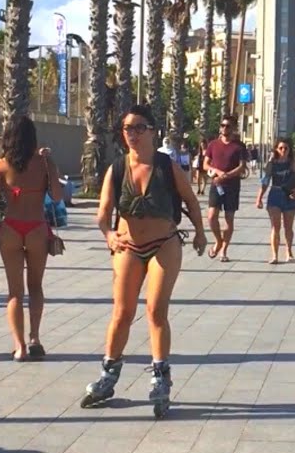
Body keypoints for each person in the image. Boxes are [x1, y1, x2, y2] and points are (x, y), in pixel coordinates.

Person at [85, 105, 207, 416]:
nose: (133, 134)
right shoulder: (117, 169)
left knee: (155, 310)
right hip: (128, 246)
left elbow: (191, 201)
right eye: (128, 129)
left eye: (139, 127)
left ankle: (160, 375)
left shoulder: (168, 167)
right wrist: (109, 235)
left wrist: (200, 232)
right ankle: (108, 374)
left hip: (163, 244)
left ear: (153, 131)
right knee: (122, 313)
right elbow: (102, 215)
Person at [0, 115, 61, 361]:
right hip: (36, 228)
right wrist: (49, 164)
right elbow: (56, 196)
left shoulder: (0, 166)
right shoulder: (43, 163)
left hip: (10, 228)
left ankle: (19, 346)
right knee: (35, 287)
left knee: (14, 292)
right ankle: (35, 338)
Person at [203, 119, 247, 262]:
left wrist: (227, 175)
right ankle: (218, 240)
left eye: (228, 126)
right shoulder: (213, 144)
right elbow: (205, 164)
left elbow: (242, 167)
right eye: (222, 125)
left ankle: (223, 250)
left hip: (232, 186)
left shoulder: (239, 146)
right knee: (211, 216)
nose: (224, 128)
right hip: (216, 184)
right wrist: (216, 171)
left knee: (229, 218)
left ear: (233, 128)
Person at [256, 138, 295, 264]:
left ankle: (289, 252)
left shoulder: (294, 164)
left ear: (290, 149)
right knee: (275, 226)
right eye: (281, 148)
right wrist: (259, 198)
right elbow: (265, 182)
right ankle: (274, 255)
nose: (283, 150)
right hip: (275, 194)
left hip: (289, 195)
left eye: (286, 148)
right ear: (276, 149)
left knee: (288, 227)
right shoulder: (271, 164)